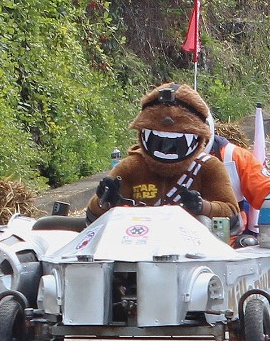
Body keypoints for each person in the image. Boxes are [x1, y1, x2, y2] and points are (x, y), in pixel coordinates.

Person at [87, 84, 242, 231]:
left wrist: (203, 206)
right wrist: (104, 200)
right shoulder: (132, 167)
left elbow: (231, 213)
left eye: (177, 143)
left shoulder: (207, 168)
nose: (166, 149)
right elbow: (94, 217)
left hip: (193, 252)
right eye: (158, 141)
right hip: (138, 247)